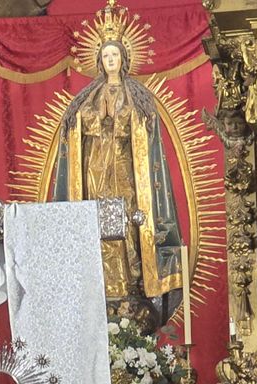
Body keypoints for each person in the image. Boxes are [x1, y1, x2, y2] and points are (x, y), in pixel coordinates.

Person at [53, 37, 184, 322]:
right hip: (95, 167)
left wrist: (119, 119)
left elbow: (143, 128)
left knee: (128, 222)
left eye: (115, 54)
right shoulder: (88, 95)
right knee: (97, 222)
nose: (110, 59)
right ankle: (100, 282)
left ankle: (132, 282)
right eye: (106, 55)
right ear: (99, 61)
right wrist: (98, 118)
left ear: (124, 58)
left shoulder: (136, 93)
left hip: (126, 168)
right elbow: (75, 124)